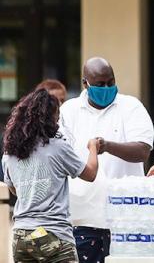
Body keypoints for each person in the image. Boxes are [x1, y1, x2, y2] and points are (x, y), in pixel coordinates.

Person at [60, 57, 154, 263]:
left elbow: (142, 151)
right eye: (100, 84)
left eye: (110, 82)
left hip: (126, 218)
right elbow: (59, 156)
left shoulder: (131, 106)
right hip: (82, 218)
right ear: (85, 83)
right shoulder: (68, 110)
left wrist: (107, 146)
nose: (106, 88)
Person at [1, 89, 99, 263]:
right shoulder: (57, 147)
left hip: (21, 236)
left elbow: (14, 189)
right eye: (57, 116)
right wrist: (93, 148)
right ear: (49, 118)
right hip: (53, 234)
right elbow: (90, 174)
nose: (58, 121)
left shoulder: (10, 151)